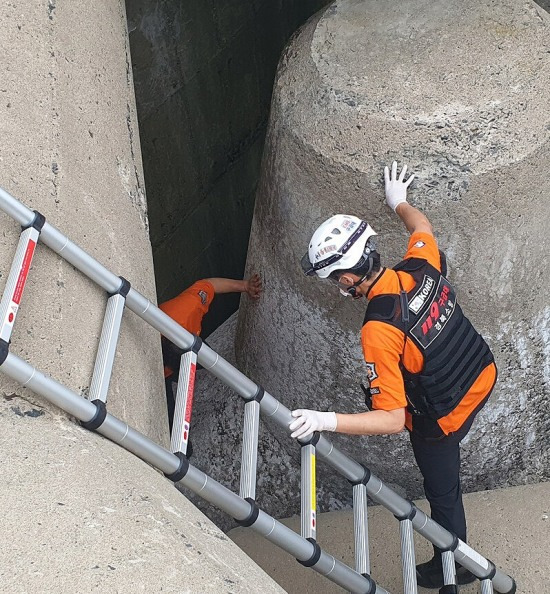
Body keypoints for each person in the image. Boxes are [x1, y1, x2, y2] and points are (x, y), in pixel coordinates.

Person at [292, 162, 497, 589]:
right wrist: (398, 202)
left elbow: (390, 417)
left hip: (443, 420)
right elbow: (422, 224)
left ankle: (455, 566)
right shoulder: (420, 264)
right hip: (482, 374)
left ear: (347, 277)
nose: (337, 286)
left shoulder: (378, 329)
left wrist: (324, 419)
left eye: (335, 280)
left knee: (444, 494)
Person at [159, 274, 262, 429]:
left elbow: (209, 285)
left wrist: (245, 286)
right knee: (171, 423)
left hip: (186, 344)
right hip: (160, 373)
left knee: (207, 357)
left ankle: (204, 360)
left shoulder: (185, 310)